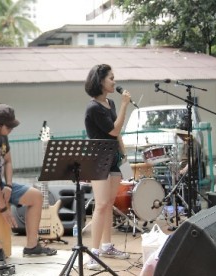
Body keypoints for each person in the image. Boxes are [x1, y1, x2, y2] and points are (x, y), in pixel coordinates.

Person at [0, 103, 57, 267]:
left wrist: (8, 186)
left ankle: (31, 246)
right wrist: (3, 206)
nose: (12, 129)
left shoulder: (1, 135)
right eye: (10, 126)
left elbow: (7, 162)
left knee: (36, 196)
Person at [83, 64, 131, 270]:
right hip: (98, 158)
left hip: (113, 158)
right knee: (101, 204)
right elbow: (113, 130)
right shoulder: (93, 107)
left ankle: (107, 246)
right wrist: (124, 105)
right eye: (111, 78)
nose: (114, 81)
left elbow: (118, 135)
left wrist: (125, 156)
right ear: (100, 81)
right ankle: (93, 254)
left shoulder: (110, 103)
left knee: (109, 202)